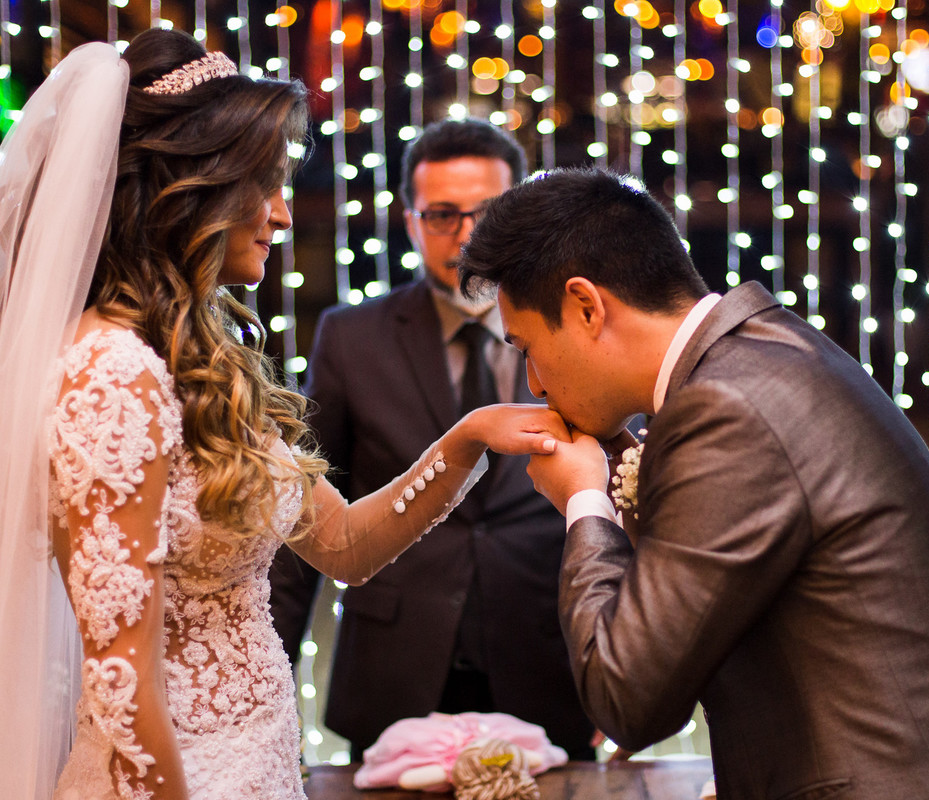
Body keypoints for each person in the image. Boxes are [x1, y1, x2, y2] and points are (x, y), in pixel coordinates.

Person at [0, 30, 565, 800]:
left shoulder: (201, 357)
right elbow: (125, 687)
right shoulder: (112, 373)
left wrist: (466, 442)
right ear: (193, 190)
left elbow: (344, 544)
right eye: (262, 185)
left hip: (257, 768)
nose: (282, 216)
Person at [457, 168, 929, 800]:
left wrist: (585, 504)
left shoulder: (724, 408)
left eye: (527, 347)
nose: (534, 384)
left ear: (587, 307)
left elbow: (627, 699)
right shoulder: (764, 354)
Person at [268, 118, 594, 760]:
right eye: (442, 215)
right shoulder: (350, 335)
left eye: (488, 212)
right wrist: (270, 692)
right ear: (412, 222)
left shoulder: (577, 323)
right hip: (395, 667)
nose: (467, 234)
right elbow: (301, 515)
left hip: (547, 662)